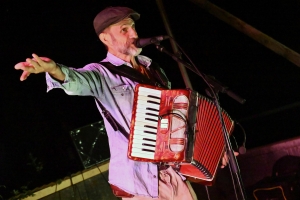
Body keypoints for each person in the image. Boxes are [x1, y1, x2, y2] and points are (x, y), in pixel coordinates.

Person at [15, 6, 233, 200]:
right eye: (124, 30)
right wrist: (54, 70)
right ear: (105, 39)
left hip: (175, 174)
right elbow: (76, 81)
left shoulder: (153, 69)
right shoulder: (102, 73)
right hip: (140, 181)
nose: (134, 34)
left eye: (133, 27)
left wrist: (212, 152)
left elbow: (178, 120)